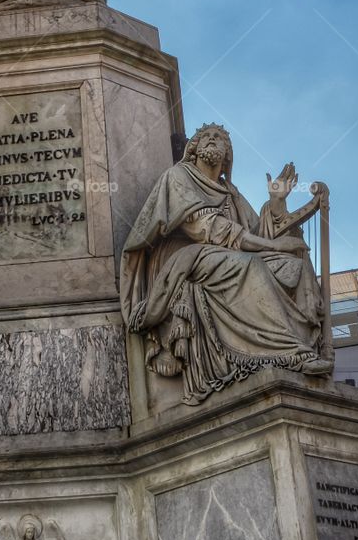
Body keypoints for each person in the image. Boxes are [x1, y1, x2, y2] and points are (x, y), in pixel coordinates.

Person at [121, 124, 331, 405]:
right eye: (205, 136)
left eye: (219, 138)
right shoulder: (178, 177)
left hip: (228, 255)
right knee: (249, 266)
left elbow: (258, 234)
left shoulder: (230, 192)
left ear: (227, 155)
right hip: (190, 255)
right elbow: (205, 228)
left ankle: (307, 350)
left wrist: (276, 204)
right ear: (192, 148)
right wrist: (271, 246)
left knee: (294, 267)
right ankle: (289, 352)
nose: (212, 140)